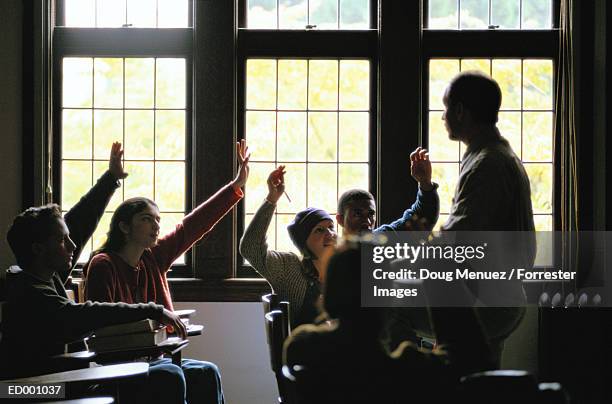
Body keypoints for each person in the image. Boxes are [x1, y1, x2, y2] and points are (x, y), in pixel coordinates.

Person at [83, 140, 251, 404]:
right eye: (146, 219)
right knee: (172, 374)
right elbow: (103, 324)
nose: (155, 226)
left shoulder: (153, 258)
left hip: (157, 357)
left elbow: (193, 227)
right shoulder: (103, 265)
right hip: (120, 366)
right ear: (124, 227)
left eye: (158, 220)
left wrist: (235, 186)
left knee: (207, 372)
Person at [0, 204, 187, 390]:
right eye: (62, 240)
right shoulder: (31, 292)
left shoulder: (48, 277)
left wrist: (110, 181)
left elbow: (83, 220)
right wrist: (154, 310)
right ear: (38, 249)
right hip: (33, 390)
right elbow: (81, 315)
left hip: (66, 376)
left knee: (200, 373)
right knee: (169, 377)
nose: (72, 246)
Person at [283, 243, 494, 404]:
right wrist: (438, 265)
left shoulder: (303, 346)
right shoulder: (407, 374)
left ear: (329, 293)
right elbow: (473, 358)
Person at [436, 71, 535, 366]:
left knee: (390, 304)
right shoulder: (498, 154)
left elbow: (457, 238)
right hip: (503, 294)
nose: (443, 117)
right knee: (482, 381)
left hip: (486, 300)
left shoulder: (486, 164)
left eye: (445, 108)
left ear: (461, 111)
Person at [239, 165, 337, 328]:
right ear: (304, 242)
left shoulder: (344, 271)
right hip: (305, 351)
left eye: (331, 227)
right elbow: (250, 248)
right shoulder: (289, 268)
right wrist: (272, 199)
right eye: (319, 230)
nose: (330, 234)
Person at [336, 147, 439, 237]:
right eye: (358, 214)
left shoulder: (381, 241)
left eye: (371, 214)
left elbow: (422, 216)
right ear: (340, 220)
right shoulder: (328, 252)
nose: (367, 222)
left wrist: (425, 182)